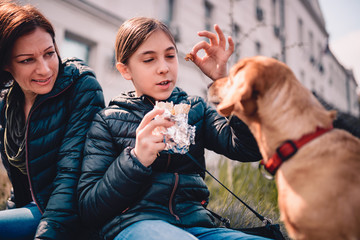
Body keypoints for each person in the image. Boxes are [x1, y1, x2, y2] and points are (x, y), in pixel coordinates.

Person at [78, 17, 268, 240]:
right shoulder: (107, 121)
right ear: (125, 70)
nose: (164, 68)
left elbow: (248, 149)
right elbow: (89, 208)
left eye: (170, 56)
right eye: (149, 60)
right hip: (134, 225)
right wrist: (136, 160)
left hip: (197, 226)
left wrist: (224, 83)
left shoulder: (195, 109)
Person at [0, 2, 105, 239]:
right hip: (34, 211)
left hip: (74, 215)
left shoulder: (81, 86)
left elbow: (71, 174)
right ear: (6, 64)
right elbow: (20, 189)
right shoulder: (7, 105)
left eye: (49, 53)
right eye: (27, 60)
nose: (45, 69)